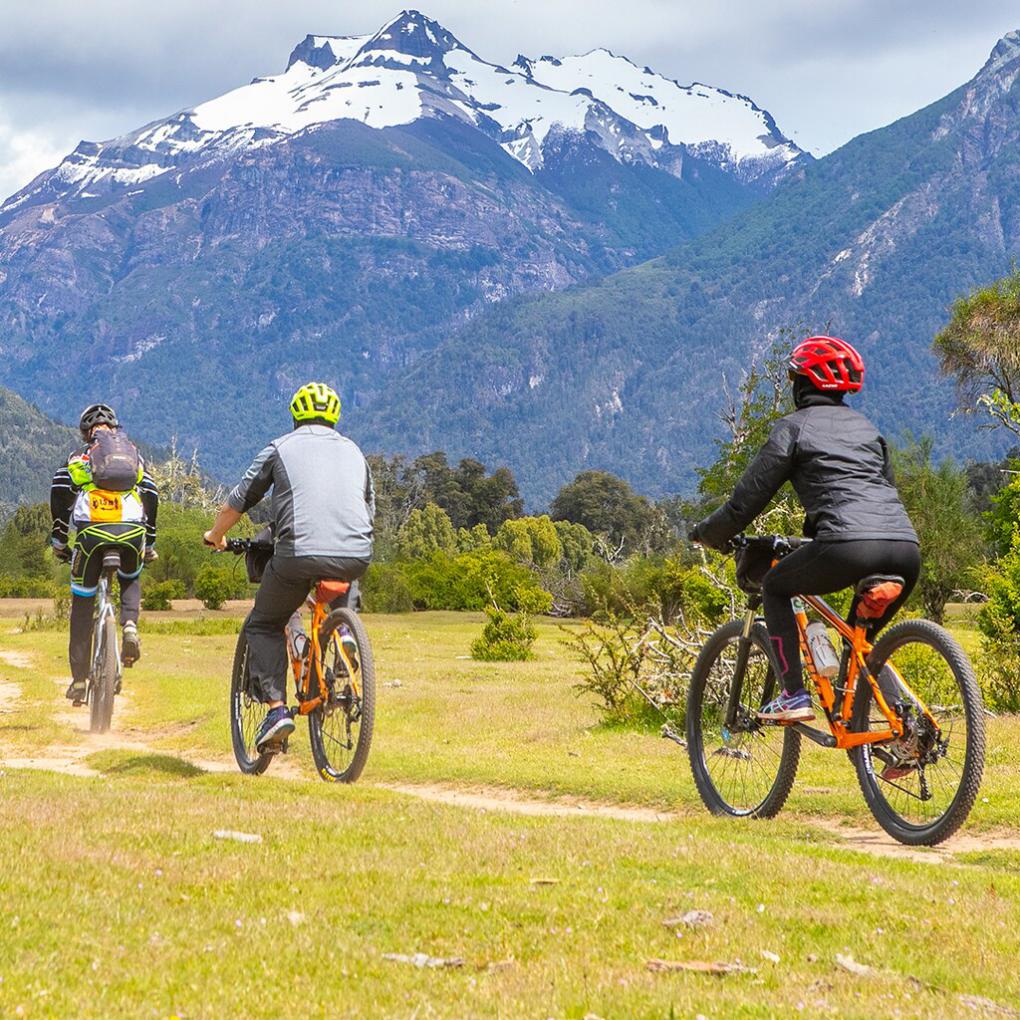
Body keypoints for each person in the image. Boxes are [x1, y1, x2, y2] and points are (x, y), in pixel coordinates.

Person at [689, 336, 920, 723]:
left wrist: (708, 533)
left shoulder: (794, 428)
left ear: (801, 385)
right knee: (861, 644)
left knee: (776, 586)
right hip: (904, 550)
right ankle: (904, 729)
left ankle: (794, 695)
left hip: (847, 545)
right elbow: (880, 494)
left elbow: (745, 502)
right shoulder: (868, 431)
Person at [203, 382, 374, 752]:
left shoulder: (281, 447)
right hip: (356, 552)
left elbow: (240, 499)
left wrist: (216, 534)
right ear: (335, 418)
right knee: (342, 574)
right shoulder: (355, 452)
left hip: (298, 553)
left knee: (264, 623)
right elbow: (367, 508)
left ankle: (277, 711)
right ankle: (343, 630)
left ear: (296, 415)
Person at [50, 403, 160, 703]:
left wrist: (59, 539)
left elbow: (60, 489)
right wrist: (148, 543)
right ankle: (129, 626)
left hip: (92, 535)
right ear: (115, 428)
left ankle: (79, 681)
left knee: (83, 601)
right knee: (130, 576)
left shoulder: (81, 456)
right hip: (131, 531)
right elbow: (151, 493)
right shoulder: (133, 454)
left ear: (87, 433)